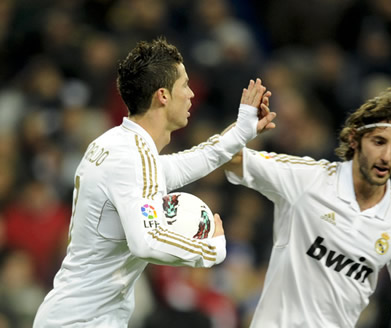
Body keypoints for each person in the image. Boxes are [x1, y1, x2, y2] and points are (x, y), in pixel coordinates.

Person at [33, 37, 276, 327]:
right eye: (184, 85)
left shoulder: (115, 144)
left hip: (76, 317)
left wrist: (242, 130)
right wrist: (209, 249)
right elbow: (145, 241)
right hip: (82, 322)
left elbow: (187, 162)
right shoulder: (131, 156)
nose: (191, 95)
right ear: (162, 95)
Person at [225, 87, 391, 327]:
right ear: (354, 139)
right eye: (379, 142)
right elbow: (231, 158)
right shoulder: (307, 179)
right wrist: (243, 128)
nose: (387, 156)